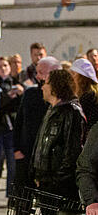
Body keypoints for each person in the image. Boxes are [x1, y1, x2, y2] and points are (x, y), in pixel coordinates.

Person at [32, 69, 86, 200]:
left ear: (55, 87)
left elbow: (72, 152)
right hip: (46, 183)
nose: (42, 87)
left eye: (46, 83)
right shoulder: (51, 110)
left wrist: (56, 181)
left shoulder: (71, 112)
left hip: (59, 187)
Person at [13, 56, 61, 192]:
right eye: (36, 72)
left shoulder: (61, 99)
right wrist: (16, 150)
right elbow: (18, 122)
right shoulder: (30, 94)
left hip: (48, 162)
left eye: (41, 72)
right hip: (25, 155)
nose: (37, 76)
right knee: (22, 198)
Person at [0, 58, 23, 206]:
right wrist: (8, 97)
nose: (3, 68)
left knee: (12, 166)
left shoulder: (15, 83)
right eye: (0, 66)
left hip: (11, 129)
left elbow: (18, 107)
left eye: (6, 65)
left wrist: (19, 94)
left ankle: (11, 197)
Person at [71, 58, 98, 134]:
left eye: (74, 74)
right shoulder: (93, 92)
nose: (73, 77)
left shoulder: (88, 95)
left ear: (81, 77)